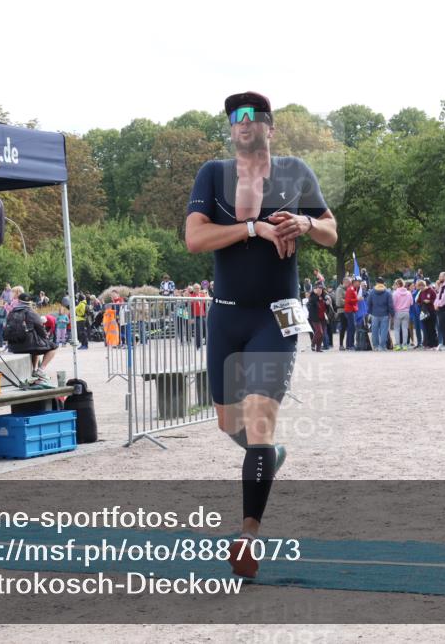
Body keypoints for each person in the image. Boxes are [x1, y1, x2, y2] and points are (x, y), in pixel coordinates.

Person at [184, 90, 338, 579]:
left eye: (251, 117)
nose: (242, 123)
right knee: (231, 426)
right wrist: (253, 229)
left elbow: (331, 231)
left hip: (276, 318)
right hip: (226, 318)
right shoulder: (212, 174)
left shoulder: (295, 172)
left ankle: (248, 535)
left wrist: (304, 221)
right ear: (231, 129)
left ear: (270, 127)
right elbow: (194, 239)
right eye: (235, 118)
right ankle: (270, 456)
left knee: (257, 427)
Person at [5, 292, 59, 382]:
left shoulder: (11, 312)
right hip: (27, 344)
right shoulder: (30, 312)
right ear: (29, 302)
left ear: (18, 301)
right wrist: (46, 337)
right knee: (53, 348)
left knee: (36, 346)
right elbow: (40, 328)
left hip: (13, 346)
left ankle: (33, 370)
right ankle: (40, 370)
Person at [367, 277, 393, 351]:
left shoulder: (372, 292)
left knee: (374, 331)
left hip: (374, 314)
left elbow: (368, 303)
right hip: (385, 314)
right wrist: (392, 314)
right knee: (384, 331)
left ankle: (375, 346)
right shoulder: (387, 292)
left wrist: (369, 312)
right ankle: (383, 346)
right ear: (383, 283)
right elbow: (390, 305)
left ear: (376, 283)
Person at [391, 278, 412, 351]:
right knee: (405, 329)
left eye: (395, 284)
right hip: (406, 312)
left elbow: (393, 304)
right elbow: (411, 303)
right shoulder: (409, 293)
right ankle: (405, 345)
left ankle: (398, 345)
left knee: (396, 329)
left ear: (397, 284)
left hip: (398, 312)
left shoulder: (395, 293)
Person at [416, 279, 438, 348]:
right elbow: (418, 301)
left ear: (423, 285)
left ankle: (434, 343)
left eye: (420, 287)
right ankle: (428, 343)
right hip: (424, 312)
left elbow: (436, 300)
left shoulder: (431, 291)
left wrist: (430, 301)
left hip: (432, 311)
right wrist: (420, 303)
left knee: (432, 328)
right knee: (426, 328)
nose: (420, 289)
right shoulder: (421, 292)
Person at [307, 282, 327, 352]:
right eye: (319, 289)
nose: (320, 290)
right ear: (316, 289)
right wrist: (315, 293)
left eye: (321, 289)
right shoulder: (313, 296)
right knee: (319, 332)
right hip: (314, 317)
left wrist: (328, 302)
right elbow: (313, 301)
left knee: (322, 334)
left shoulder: (324, 296)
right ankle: (313, 344)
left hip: (322, 317)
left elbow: (326, 306)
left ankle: (318, 348)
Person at [343, 278, 358, 351]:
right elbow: (348, 300)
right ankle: (350, 345)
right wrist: (357, 299)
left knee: (351, 328)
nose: (358, 283)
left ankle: (349, 345)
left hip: (351, 310)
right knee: (351, 328)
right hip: (350, 311)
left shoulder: (352, 289)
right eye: (357, 282)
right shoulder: (350, 289)